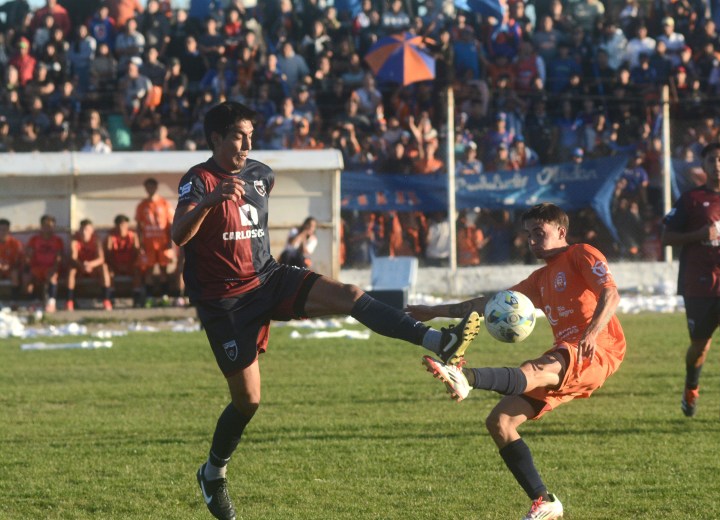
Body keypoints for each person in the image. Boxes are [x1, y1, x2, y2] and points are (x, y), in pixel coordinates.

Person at [175, 101, 480, 520]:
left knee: (350, 295)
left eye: (250, 135)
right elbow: (179, 234)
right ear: (215, 139)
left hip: (269, 278)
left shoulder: (261, 175)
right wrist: (211, 199)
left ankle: (438, 340)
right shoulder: (198, 179)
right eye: (237, 136)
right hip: (226, 301)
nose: (247, 144)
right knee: (248, 401)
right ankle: (212, 474)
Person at [407, 202, 627, 520]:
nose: (532, 240)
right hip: (569, 357)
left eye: (540, 232)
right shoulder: (539, 279)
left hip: (597, 351)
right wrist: (435, 310)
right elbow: (490, 304)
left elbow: (611, 294)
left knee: (537, 369)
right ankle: (545, 500)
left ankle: (464, 377)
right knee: (501, 422)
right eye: (528, 234)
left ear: (561, 231)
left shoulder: (581, 254)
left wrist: (591, 334)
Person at [661, 142, 720, 424]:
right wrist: (700, 233)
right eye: (711, 160)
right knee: (700, 347)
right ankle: (691, 386)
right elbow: (667, 237)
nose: (716, 164)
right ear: (703, 166)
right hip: (699, 284)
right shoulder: (690, 200)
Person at [136, 177, 174, 305]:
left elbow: (170, 224)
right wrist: (139, 243)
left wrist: (171, 241)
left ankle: (165, 296)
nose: (150, 189)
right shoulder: (142, 205)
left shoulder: (164, 203)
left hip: (163, 242)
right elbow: (139, 226)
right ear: (145, 188)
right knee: (149, 270)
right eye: (148, 187)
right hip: (148, 243)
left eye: (152, 186)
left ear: (156, 188)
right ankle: (149, 297)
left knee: (164, 269)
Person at [66, 219, 114, 311]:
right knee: (71, 270)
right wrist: (82, 266)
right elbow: (73, 257)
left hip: (93, 267)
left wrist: (90, 265)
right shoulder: (75, 240)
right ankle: (69, 301)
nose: (84, 232)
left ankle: (106, 300)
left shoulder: (96, 240)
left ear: (92, 230)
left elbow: (101, 258)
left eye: (87, 230)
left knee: (104, 268)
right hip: (80, 266)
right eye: (82, 230)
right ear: (79, 230)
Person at [23, 214, 65, 313]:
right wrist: (28, 265)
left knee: (52, 276)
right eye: (46, 226)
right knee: (27, 277)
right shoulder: (34, 239)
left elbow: (59, 257)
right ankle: (34, 301)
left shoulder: (57, 240)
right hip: (37, 267)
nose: (48, 229)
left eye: (50, 226)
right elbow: (29, 255)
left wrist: (54, 268)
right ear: (41, 227)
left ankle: (51, 302)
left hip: (51, 267)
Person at [105, 214, 144, 307]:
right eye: (119, 225)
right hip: (115, 265)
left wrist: (129, 265)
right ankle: (111, 297)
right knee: (109, 273)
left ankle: (137, 298)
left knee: (137, 271)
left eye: (124, 225)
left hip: (130, 265)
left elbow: (137, 253)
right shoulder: (111, 237)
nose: (122, 228)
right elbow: (108, 254)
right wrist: (116, 265)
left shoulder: (133, 236)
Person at [0, 218, 24, 302]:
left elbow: (19, 260)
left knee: (15, 274)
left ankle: (14, 301)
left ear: (8, 230)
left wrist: (9, 267)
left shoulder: (15, 243)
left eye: (5, 230)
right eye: (0, 229)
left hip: (11, 270)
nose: (2, 232)